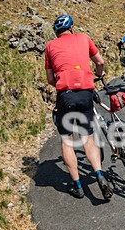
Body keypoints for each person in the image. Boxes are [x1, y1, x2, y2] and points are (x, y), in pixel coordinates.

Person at [44, 14, 112, 200]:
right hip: (86, 91)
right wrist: (99, 74)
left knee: (67, 140)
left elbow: (50, 79)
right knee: (87, 138)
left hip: (65, 95)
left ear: (56, 33)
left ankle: (77, 186)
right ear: (72, 28)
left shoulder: (50, 46)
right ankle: (99, 174)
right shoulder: (83, 38)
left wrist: (63, 85)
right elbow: (100, 62)